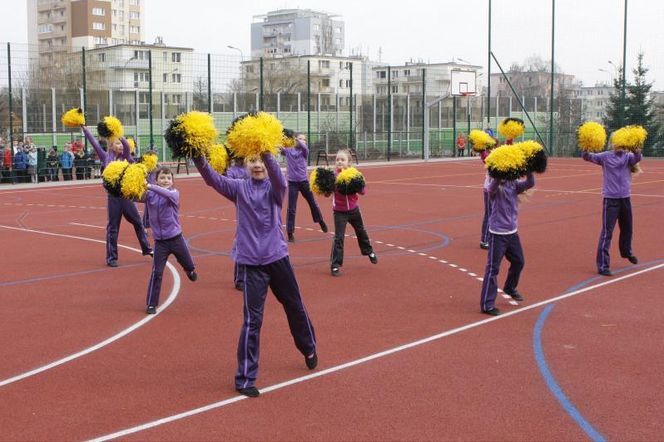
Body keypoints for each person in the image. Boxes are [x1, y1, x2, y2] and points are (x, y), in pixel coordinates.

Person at [193, 151, 318, 398]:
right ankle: (246, 377)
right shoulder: (238, 187)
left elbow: (280, 179)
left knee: (295, 306)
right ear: (245, 165)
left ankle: (308, 347)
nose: (258, 165)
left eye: (261, 161)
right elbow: (212, 179)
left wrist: (267, 154)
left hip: (278, 258)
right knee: (252, 321)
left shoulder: (276, 186)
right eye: (253, 161)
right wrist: (198, 157)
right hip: (251, 263)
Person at [81, 124, 152, 267]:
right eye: (117, 143)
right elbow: (94, 144)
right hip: (113, 198)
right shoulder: (105, 157)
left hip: (126, 196)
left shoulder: (126, 156)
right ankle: (112, 257)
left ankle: (147, 248)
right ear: (111, 146)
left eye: (120, 142)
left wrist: (118, 134)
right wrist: (85, 129)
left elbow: (126, 145)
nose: (120, 145)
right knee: (113, 228)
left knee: (138, 223)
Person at [582, 133, 641, 276]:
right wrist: (585, 143)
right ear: (612, 143)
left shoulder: (628, 157)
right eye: (616, 142)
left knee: (627, 228)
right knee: (607, 232)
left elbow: (638, 157)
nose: (618, 145)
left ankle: (626, 251)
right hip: (611, 200)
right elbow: (587, 156)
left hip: (625, 199)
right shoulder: (605, 157)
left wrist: (634, 144)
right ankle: (603, 265)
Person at [140, 166, 197, 314]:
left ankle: (189, 270)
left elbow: (164, 193)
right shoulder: (150, 195)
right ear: (156, 179)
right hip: (160, 242)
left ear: (172, 181)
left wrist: (150, 186)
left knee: (189, 265)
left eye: (168, 178)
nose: (166, 180)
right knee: (157, 272)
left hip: (176, 238)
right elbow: (135, 196)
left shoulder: (173, 193)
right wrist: (121, 190)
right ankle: (152, 303)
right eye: (162, 178)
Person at [480, 172, 535, 316]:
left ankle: (509, 287)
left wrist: (529, 170)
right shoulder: (495, 187)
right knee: (493, 268)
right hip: (498, 234)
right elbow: (491, 189)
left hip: (512, 233)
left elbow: (530, 183)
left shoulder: (514, 185)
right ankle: (487, 304)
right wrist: (499, 175)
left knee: (519, 262)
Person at [330, 148, 377, 277]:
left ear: (348, 162)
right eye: (337, 159)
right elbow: (327, 192)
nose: (339, 162)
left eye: (342, 159)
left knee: (361, 231)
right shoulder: (333, 176)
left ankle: (369, 251)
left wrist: (357, 184)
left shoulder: (355, 174)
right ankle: (335, 265)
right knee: (338, 238)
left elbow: (363, 192)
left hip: (354, 210)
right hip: (339, 212)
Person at [281, 132, 328, 242]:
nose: (302, 141)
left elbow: (303, 146)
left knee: (312, 203)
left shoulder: (304, 151)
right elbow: (279, 148)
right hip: (293, 183)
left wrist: (297, 140)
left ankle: (320, 220)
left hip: (304, 182)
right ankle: (290, 232)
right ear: (295, 140)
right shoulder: (288, 151)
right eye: (300, 138)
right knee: (291, 208)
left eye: (304, 139)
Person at [225, 155, 249, 292]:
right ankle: (240, 279)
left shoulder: (250, 168)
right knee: (241, 242)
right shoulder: (232, 171)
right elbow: (227, 184)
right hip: (242, 205)